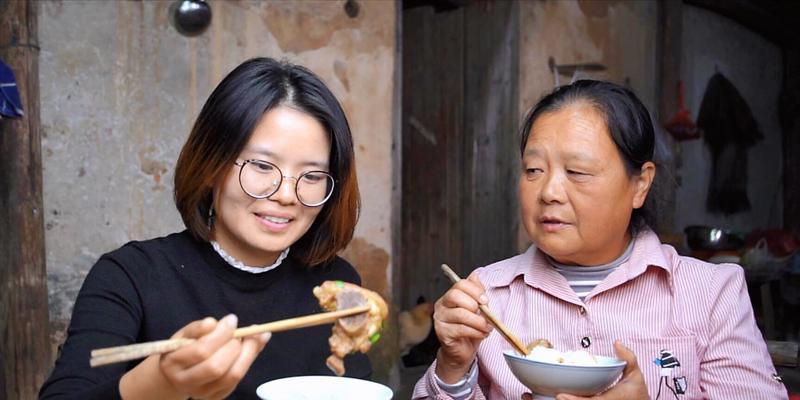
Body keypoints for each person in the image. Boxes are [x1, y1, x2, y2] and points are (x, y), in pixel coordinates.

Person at [413, 80, 788, 400]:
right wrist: (454, 368)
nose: (549, 192)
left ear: (640, 184)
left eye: (576, 171)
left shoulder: (710, 294)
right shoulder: (486, 296)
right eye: (533, 170)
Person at [40, 57, 370, 400]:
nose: (287, 195)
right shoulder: (131, 275)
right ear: (212, 165)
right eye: (261, 165)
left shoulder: (338, 289)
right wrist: (159, 384)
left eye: (313, 176)